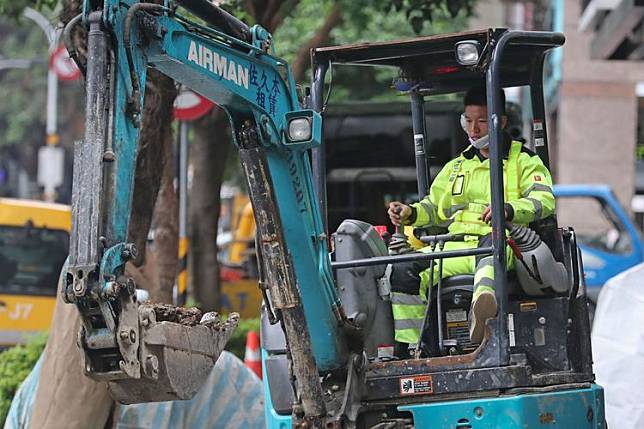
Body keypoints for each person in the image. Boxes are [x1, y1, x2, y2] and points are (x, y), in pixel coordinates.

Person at [387, 86, 555, 348]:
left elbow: (544, 201)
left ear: (500, 121)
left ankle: (482, 314)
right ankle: (411, 348)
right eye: (468, 120)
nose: (473, 129)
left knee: (491, 246)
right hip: (452, 249)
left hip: (501, 244)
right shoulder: (455, 167)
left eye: (481, 121)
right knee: (402, 269)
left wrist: (508, 210)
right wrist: (410, 213)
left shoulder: (525, 161)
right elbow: (433, 208)